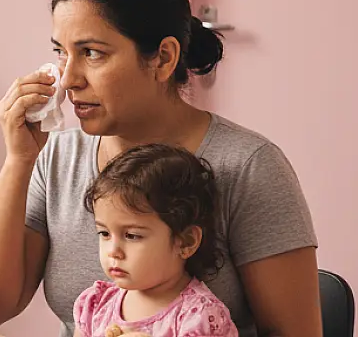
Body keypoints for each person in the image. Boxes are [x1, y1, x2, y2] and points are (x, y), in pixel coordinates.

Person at [0, 0, 320, 337]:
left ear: (163, 58)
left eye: (92, 53)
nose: (68, 79)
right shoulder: (57, 157)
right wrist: (19, 160)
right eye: (60, 52)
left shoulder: (248, 166)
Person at [73, 143, 237, 337]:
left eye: (132, 235)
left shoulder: (200, 318)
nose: (113, 251)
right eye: (104, 234)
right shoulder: (96, 304)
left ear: (186, 242)